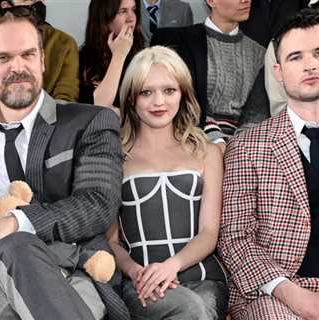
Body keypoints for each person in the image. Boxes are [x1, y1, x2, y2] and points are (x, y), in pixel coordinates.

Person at [0, 7, 129, 320]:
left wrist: (17, 220)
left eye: (28, 54)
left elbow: (98, 204)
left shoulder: (90, 122)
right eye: (3, 58)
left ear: (42, 59)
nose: (18, 67)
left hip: (74, 273)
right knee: (16, 248)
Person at [106, 45, 228, 320]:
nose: (158, 101)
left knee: (198, 307)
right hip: (142, 281)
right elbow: (111, 241)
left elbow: (209, 232)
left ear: (183, 93)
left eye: (169, 90)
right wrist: (136, 272)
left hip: (204, 278)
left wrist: (172, 266)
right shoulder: (115, 157)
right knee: (190, 309)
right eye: (146, 92)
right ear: (131, 98)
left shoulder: (207, 152)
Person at [218, 8, 319, 319]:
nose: (310, 64)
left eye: (318, 53)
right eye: (295, 57)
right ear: (278, 72)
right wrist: (289, 291)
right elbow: (234, 237)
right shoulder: (247, 147)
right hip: (275, 292)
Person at [151, 0, 268, 145]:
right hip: (189, 137)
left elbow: (257, 110)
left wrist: (239, 147)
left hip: (244, 147)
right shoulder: (179, 41)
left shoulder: (260, 53)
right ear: (211, 1)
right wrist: (216, 139)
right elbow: (185, 98)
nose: (245, 0)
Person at [0, 0, 80, 102]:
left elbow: (66, 98)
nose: (38, 3)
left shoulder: (63, 43)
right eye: (27, 0)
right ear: (6, 6)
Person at [79, 0, 144, 109]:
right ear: (104, 18)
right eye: (122, 11)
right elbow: (99, 106)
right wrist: (119, 55)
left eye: (133, 10)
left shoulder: (143, 56)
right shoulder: (83, 58)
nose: (131, 18)